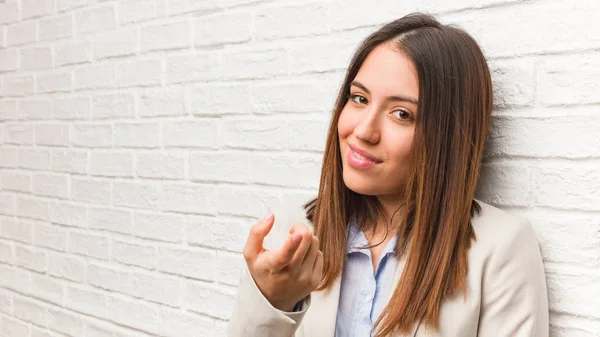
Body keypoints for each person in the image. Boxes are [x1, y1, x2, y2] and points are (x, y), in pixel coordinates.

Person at [227, 12, 549, 337]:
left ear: (448, 135)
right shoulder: (294, 228)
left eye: (402, 114)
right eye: (359, 98)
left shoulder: (501, 249)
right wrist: (274, 303)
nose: (364, 131)